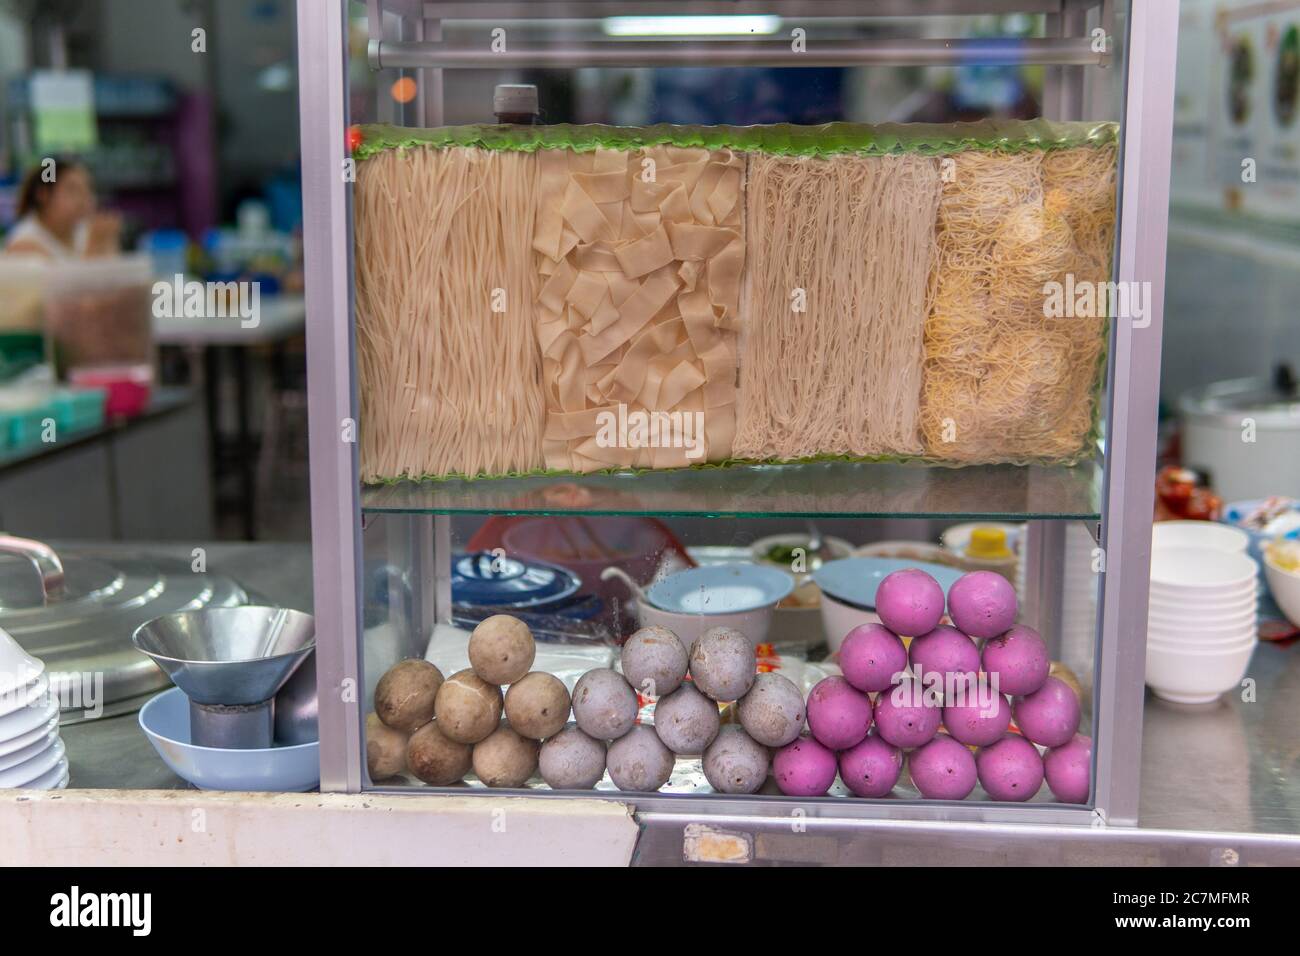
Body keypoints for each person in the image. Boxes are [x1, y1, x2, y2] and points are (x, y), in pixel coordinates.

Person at [4, 155, 121, 259]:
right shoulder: (24, 243)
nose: (84, 199)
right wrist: (94, 247)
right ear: (43, 194)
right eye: (73, 190)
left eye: (88, 189)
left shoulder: (85, 231)